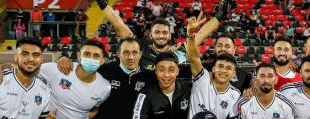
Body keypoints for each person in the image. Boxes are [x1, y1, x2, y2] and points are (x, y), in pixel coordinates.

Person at [97, 0, 234, 70]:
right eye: (157, 32)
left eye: (164, 33)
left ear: (170, 36)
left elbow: (202, 34)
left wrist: (220, 15)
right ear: (150, 35)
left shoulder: (178, 53)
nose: (161, 36)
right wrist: (103, 3)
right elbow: (119, 25)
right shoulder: (139, 48)